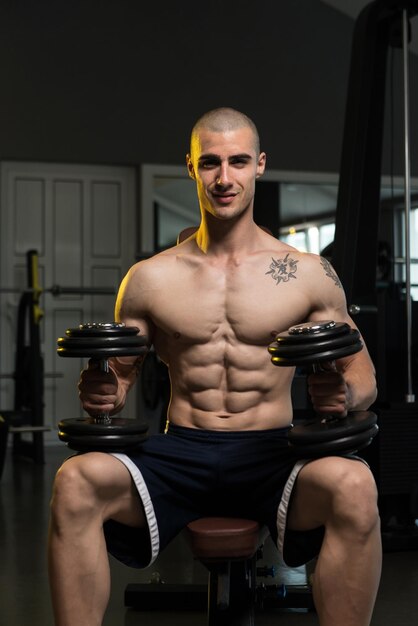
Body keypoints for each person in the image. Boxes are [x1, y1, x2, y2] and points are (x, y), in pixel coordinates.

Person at [48, 107, 381, 626]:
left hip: (274, 449)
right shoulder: (149, 279)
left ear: (260, 165)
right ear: (190, 167)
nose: (224, 178)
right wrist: (102, 392)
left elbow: (362, 377)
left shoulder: (309, 274)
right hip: (181, 450)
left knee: (356, 486)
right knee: (74, 482)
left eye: (238, 161)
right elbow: (120, 381)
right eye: (210, 163)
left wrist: (346, 398)